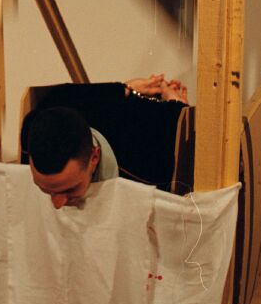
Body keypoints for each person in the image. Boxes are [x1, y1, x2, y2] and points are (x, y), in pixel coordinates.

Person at [22, 73, 190, 206]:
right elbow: (60, 97)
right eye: (44, 189)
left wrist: (177, 104)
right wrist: (124, 89)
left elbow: (173, 122)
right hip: (101, 107)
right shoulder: (32, 129)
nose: (56, 205)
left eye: (70, 189)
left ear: (94, 157)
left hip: (137, 131)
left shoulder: (148, 160)